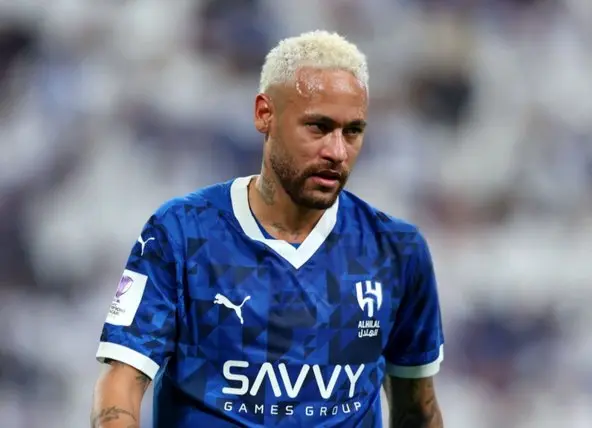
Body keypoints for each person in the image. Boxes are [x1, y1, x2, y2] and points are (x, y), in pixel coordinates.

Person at [91, 30, 445, 428]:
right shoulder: (181, 233)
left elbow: (417, 409)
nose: (337, 152)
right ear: (265, 114)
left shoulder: (397, 250)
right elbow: (121, 385)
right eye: (318, 127)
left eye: (352, 132)